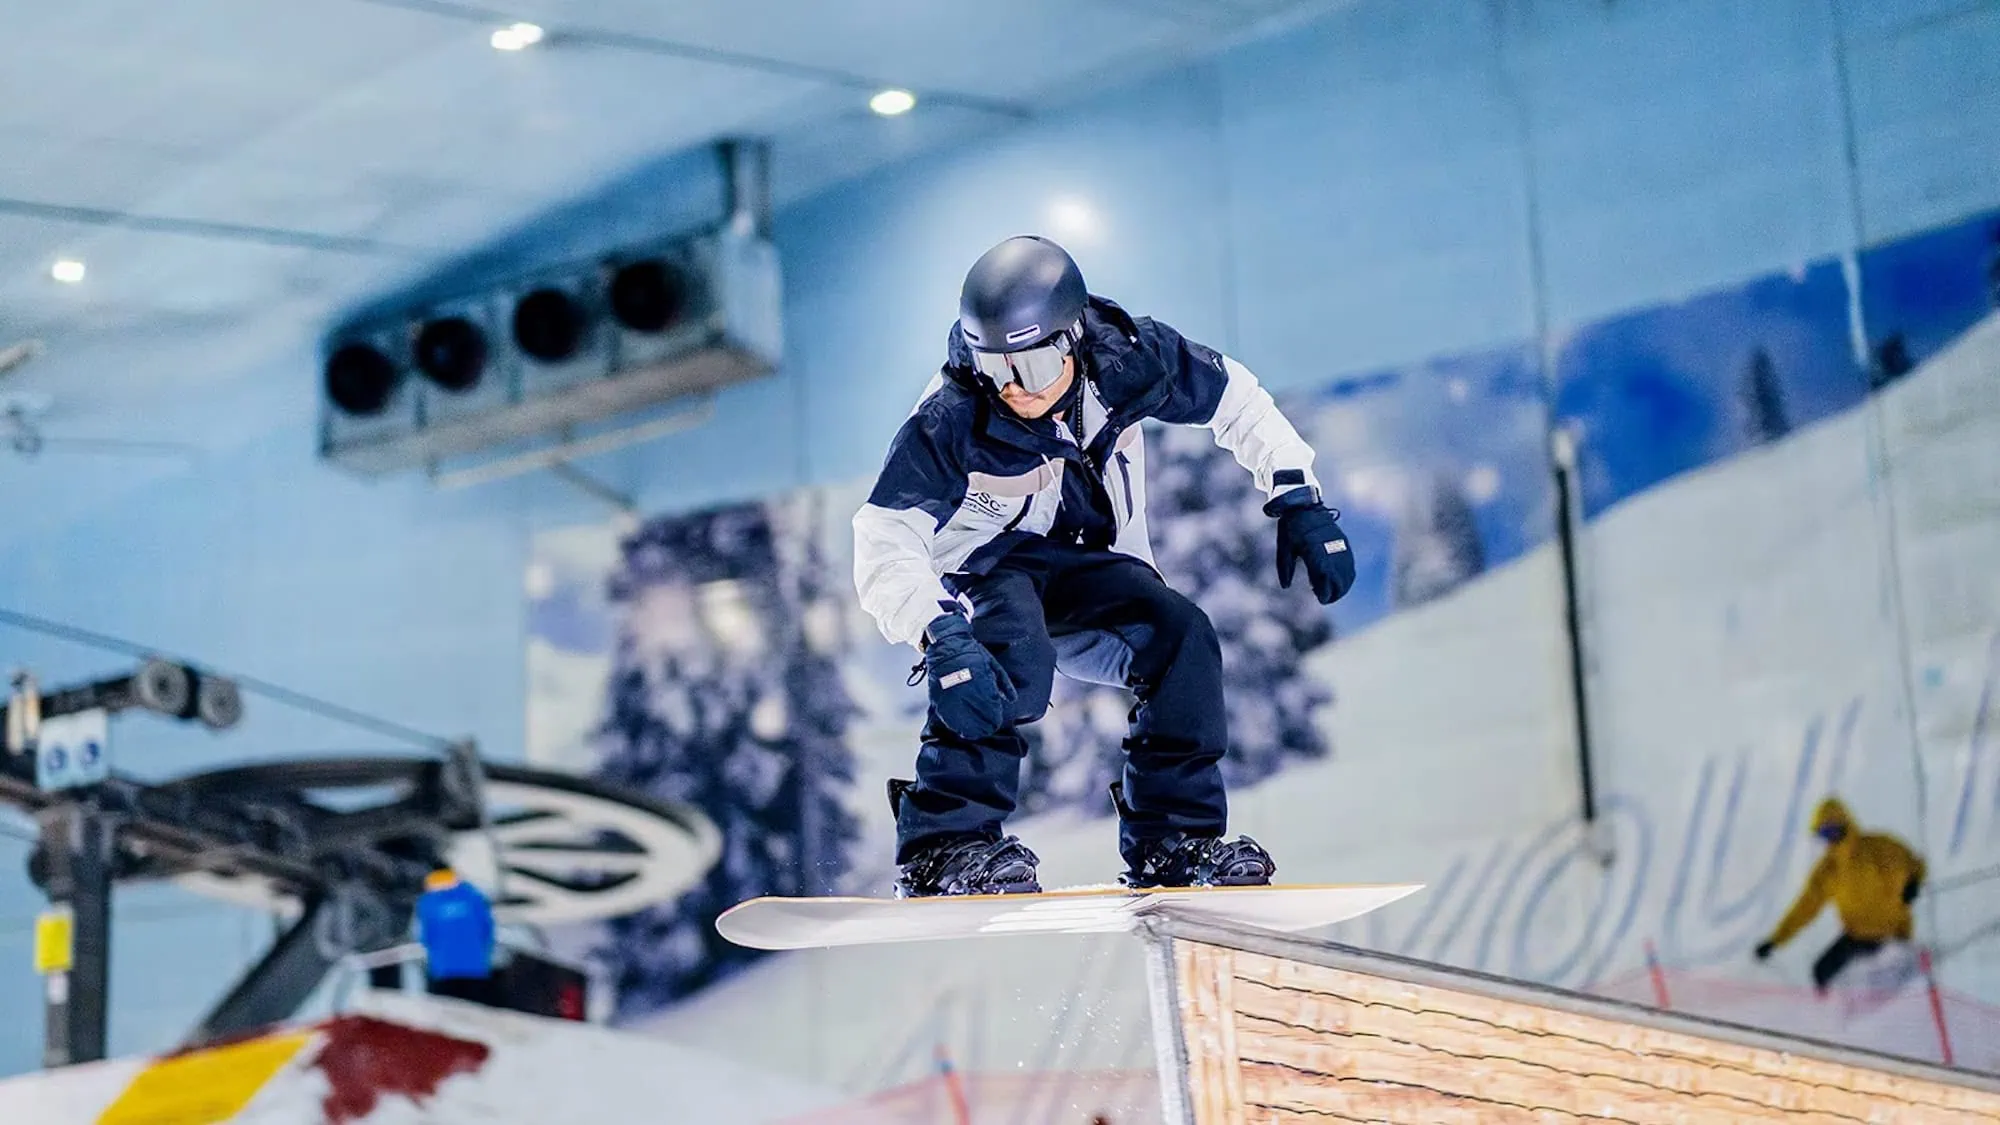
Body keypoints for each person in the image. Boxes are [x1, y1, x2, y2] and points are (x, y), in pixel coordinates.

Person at [853, 235, 1354, 898]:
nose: (1013, 389)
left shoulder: (1127, 358)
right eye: (994, 367)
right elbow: (884, 537)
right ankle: (943, 845)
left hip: (1087, 565)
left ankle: (1171, 841)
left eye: (1032, 367)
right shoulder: (951, 418)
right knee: (1009, 654)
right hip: (985, 566)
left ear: (1072, 339)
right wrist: (936, 631)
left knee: (1180, 635)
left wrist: (1296, 494)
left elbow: (1236, 399)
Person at [1754, 796, 1927, 994]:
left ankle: (1904, 986)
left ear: (1846, 823)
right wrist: (1775, 941)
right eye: (1824, 833)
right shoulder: (1828, 870)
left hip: (1894, 936)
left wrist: (1913, 883)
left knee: (1880, 984)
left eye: (1833, 830)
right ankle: (1829, 1011)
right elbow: (1804, 908)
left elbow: (1914, 866)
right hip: (1857, 937)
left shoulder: (1879, 847)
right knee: (1820, 972)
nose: (1830, 837)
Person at [416, 867, 498, 1003]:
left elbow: (425, 936)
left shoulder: (428, 902)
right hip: (475, 966)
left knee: (447, 1009)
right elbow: (487, 929)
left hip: (443, 967)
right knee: (475, 1007)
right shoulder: (473, 896)